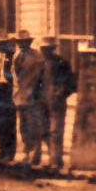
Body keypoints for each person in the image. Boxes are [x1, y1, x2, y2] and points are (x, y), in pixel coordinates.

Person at [11, 31, 47, 169]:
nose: (22, 44)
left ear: (29, 42)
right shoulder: (16, 55)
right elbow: (15, 77)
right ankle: (26, 153)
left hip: (32, 96)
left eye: (25, 42)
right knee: (23, 126)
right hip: (19, 97)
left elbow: (40, 77)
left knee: (34, 127)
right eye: (19, 42)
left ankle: (35, 155)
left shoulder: (37, 57)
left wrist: (36, 93)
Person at [38, 36, 74, 171]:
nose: (45, 51)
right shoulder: (39, 63)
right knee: (43, 130)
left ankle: (56, 160)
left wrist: (61, 93)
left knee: (56, 131)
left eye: (48, 49)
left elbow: (70, 83)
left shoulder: (62, 63)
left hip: (57, 101)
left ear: (53, 49)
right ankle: (52, 157)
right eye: (43, 49)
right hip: (41, 100)